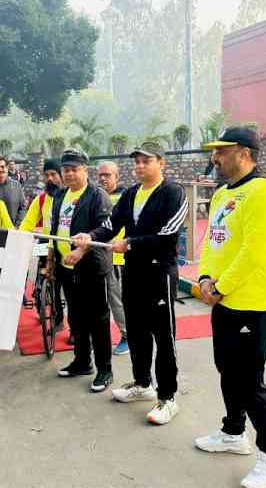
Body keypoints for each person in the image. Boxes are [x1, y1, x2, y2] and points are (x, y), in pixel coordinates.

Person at [194, 127, 266, 488]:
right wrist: (205, 276)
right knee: (227, 370)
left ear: (245, 153)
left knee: (250, 381)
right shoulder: (221, 193)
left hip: (252, 302)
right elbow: (212, 241)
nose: (216, 157)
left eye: (223, 150)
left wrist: (220, 286)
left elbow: (256, 250)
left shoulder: (263, 192)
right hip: (223, 300)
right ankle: (234, 432)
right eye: (215, 151)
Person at [75, 141, 187, 423]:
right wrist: (90, 237)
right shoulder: (132, 194)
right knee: (136, 331)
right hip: (133, 273)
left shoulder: (173, 192)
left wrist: (131, 244)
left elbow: (168, 235)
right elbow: (111, 225)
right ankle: (142, 383)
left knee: (163, 335)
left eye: (146, 161)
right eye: (136, 161)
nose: (139, 166)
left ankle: (168, 397)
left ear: (161, 163)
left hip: (159, 273)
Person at [48, 148, 114, 393]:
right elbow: (56, 229)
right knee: (76, 318)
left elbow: (104, 229)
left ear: (85, 170)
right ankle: (82, 361)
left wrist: (81, 251)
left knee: (98, 318)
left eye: (74, 170)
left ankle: (105, 369)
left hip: (91, 267)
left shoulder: (97, 196)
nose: (69, 174)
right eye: (66, 170)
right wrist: (52, 258)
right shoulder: (61, 195)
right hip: (66, 268)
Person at [20, 158, 65, 327]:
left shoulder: (70, 197)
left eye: (53, 174)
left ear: (61, 175)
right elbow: (26, 224)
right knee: (45, 276)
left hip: (64, 245)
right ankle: (41, 295)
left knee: (64, 285)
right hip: (45, 243)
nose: (50, 179)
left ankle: (72, 326)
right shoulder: (40, 200)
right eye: (47, 175)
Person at [96, 161, 129, 356]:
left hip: (118, 258)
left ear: (117, 177)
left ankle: (127, 335)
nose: (103, 178)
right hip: (98, 257)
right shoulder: (95, 197)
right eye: (100, 175)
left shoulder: (124, 197)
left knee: (116, 299)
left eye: (107, 175)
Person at [0, 156, 26, 226]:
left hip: (13, 229)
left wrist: (17, 225)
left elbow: (23, 207)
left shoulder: (17, 185)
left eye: (2, 167)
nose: (0, 169)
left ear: (7, 168)